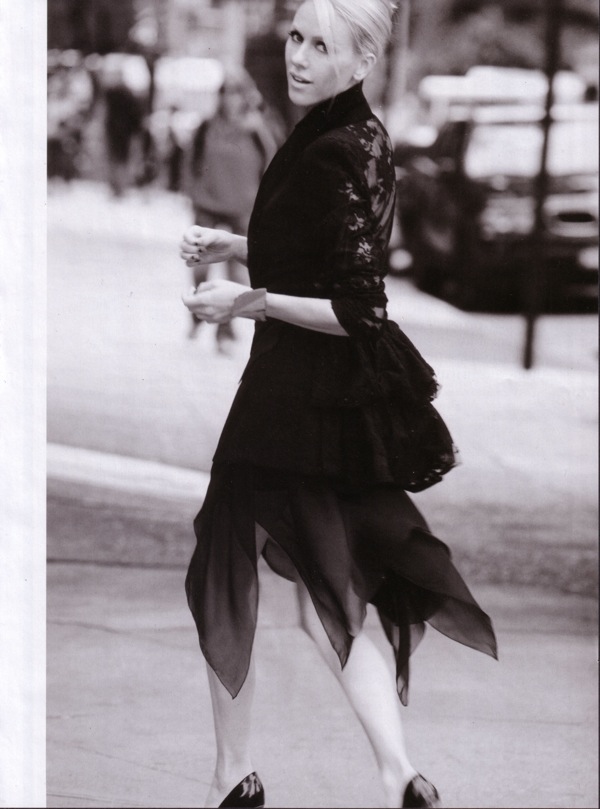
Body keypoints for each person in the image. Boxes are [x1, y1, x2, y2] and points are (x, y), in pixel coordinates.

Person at [179, 2, 498, 807]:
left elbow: (359, 307)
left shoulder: (329, 149)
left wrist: (243, 301)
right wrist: (235, 245)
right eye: (296, 36)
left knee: (227, 567)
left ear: (361, 63)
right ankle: (399, 775)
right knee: (329, 584)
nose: (299, 56)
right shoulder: (355, 134)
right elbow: (322, 251)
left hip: (293, 402)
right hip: (331, 406)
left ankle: (234, 777)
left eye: (322, 46)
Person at [183, 68, 280, 348]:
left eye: (236, 93)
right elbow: (190, 160)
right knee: (199, 264)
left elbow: (272, 164)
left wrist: (265, 202)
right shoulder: (207, 126)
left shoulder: (257, 129)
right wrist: (192, 191)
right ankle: (198, 313)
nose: (230, 99)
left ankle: (225, 328)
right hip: (207, 203)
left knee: (237, 271)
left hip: (242, 206)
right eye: (225, 92)